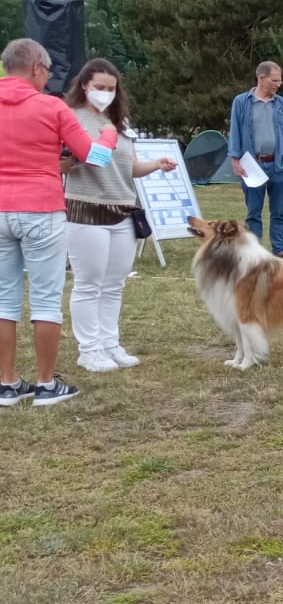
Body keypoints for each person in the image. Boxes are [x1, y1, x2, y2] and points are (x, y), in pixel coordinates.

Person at [0, 38, 120, 406]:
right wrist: (109, 133)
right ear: (37, 68)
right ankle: (46, 383)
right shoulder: (51, 106)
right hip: (41, 207)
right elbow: (94, 156)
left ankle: (7, 382)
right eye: (47, 72)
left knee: (4, 300)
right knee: (46, 299)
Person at [61, 59, 177, 372]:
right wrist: (74, 158)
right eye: (100, 87)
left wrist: (156, 165)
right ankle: (90, 349)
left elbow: (129, 167)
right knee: (89, 283)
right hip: (86, 208)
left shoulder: (120, 123)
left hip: (123, 209)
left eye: (111, 88)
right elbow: (63, 165)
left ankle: (110, 343)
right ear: (84, 85)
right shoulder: (70, 118)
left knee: (114, 284)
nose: (106, 93)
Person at [226, 61, 283, 255]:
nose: (278, 84)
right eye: (275, 80)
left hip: (278, 165)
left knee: (279, 213)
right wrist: (235, 159)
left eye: (280, 80)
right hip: (252, 166)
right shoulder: (241, 102)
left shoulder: (282, 104)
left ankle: (279, 252)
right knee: (253, 213)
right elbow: (235, 133)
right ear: (261, 78)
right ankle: (254, 253)